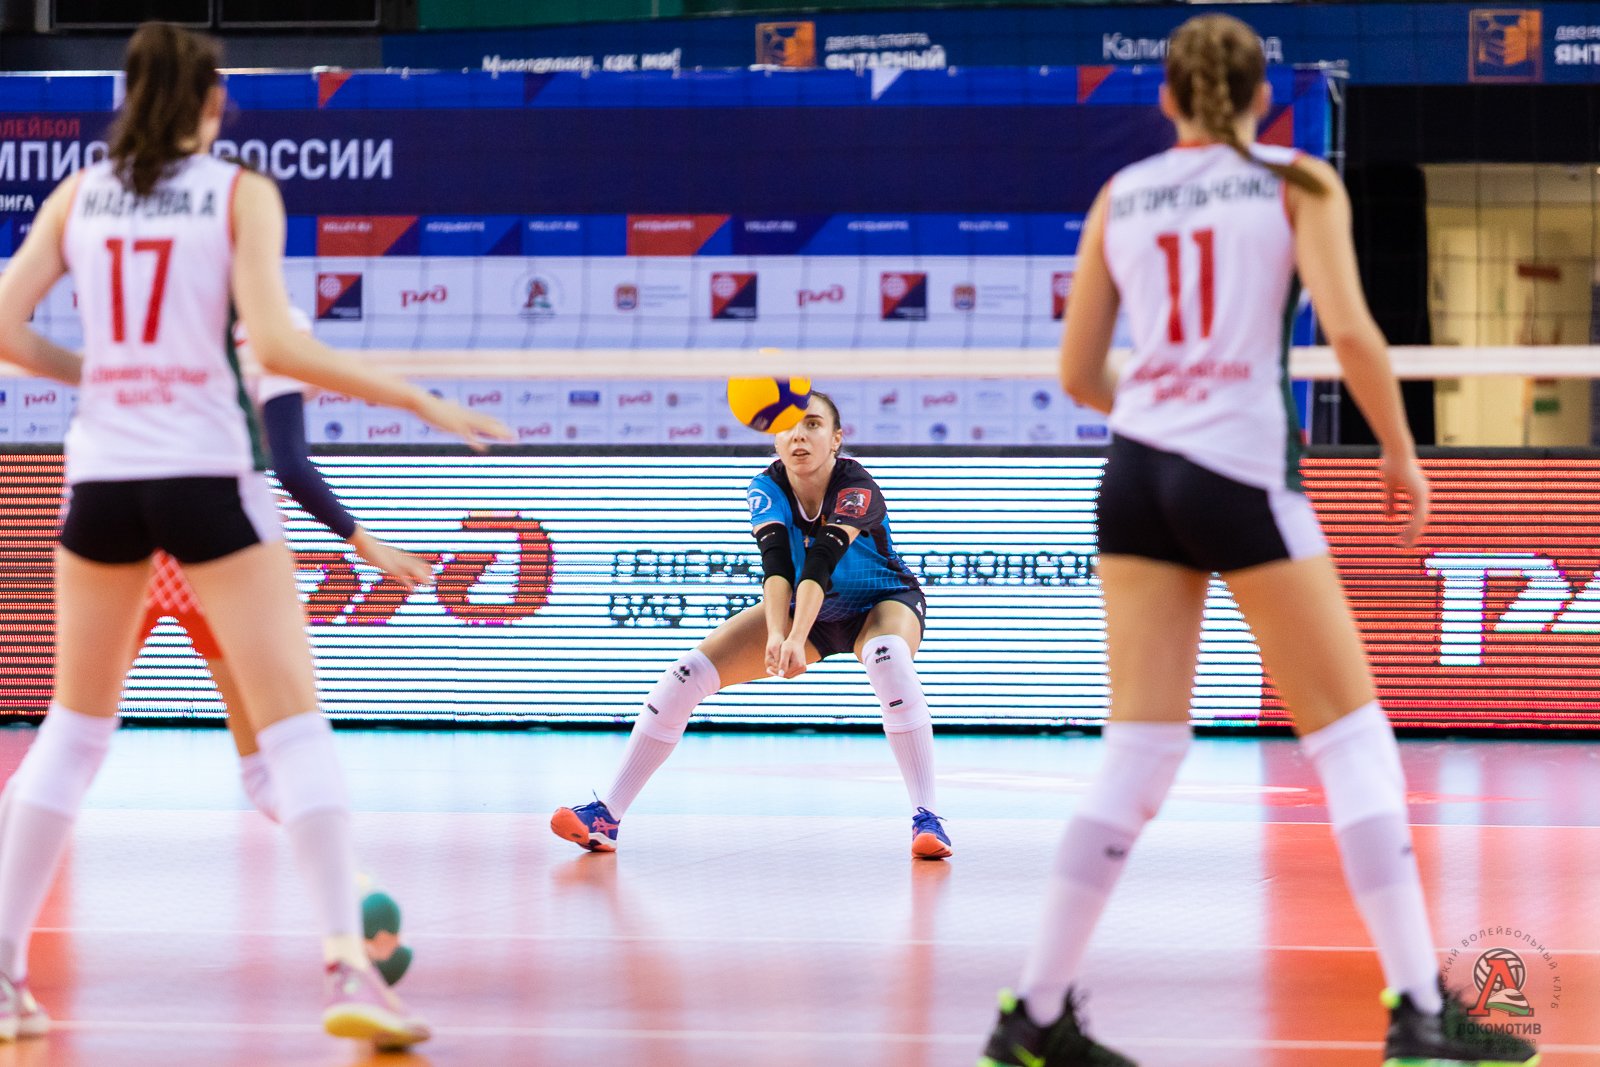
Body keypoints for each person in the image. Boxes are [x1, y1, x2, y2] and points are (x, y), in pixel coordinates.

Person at [978, 15, 1537, 1067]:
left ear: (1166, 98)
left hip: (1136, 473)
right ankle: (1421, 1012)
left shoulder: (1121, 195)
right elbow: (1352, 329)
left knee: (1140, 748)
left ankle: (1032, 1017)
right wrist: (1400, 452)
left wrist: (1162, 403)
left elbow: (1078, 372)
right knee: (1350, 737)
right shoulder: (1296, 181)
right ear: (1261, 97)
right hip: (1235, 468)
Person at [0, 22, 508, 1048]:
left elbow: (4, 330)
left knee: (73, 732)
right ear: (213, 103)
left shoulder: (78, 195)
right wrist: (415, 397)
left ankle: (4, 978)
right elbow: (276, 341)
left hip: (102, 477)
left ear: (126, 96)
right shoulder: (241, 192)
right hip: (202, 474)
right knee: (294, 729)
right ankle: (348, 962)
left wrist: (96, 373)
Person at [137, 308, 431, 986]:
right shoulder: (274, 324)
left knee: (71, 742)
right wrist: (363, 540)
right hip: (219, 547)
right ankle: (353, 902)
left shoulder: (168, 315)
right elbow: (291, 465)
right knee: (272, 762)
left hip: (124, 533)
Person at [552, 393, 952, 860]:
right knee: (686, 674)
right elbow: (776, 566)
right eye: (787, 426)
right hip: (805, 606)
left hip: (881, 601)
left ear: (836, 439)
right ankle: (606, 817)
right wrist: (779, 636)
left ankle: (928, 818)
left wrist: (796, 638)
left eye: (813, 424)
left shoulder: (856, 485)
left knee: (888, 659)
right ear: (774, 440)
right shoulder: (766, 487)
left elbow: (822, 560)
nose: (799, 435)